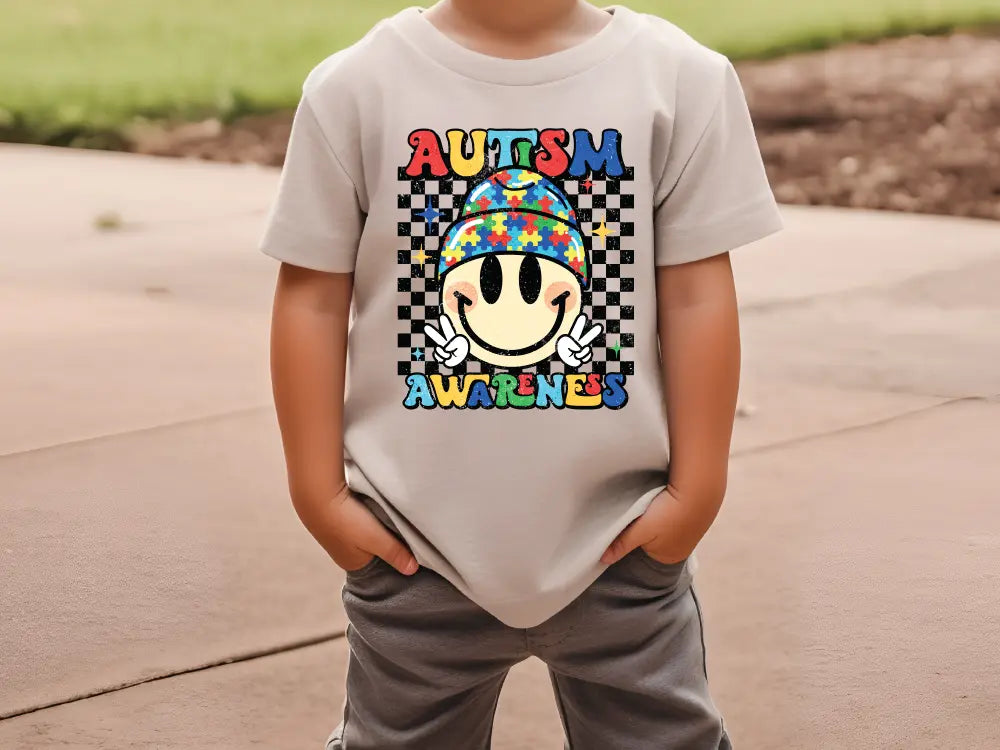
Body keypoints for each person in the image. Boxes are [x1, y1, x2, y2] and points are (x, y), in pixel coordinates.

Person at [260, 0, 783, 747]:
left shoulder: (679, 80)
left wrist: (697, 491)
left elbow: (698, 295)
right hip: (412, 546)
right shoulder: (356, 87)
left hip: (622, 543)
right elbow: (311, 298)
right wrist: (319, 495)